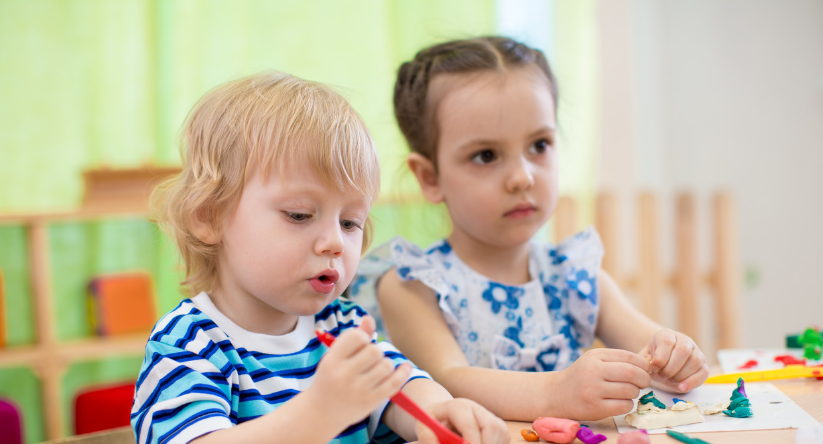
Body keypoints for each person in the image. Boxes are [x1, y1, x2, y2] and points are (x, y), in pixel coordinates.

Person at [131, 72, 509, 444]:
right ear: (208, 217)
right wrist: (320, 414)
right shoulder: (190, 343)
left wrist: (443, 413)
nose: (335, 243)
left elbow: (403, 390)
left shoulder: (342, 325)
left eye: (349, 222)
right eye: (299, 215)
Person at [349, 37, 709, 422]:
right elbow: (444, 381)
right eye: (486, 155)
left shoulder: (577, 276)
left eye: (539, 145)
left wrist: (675, 357)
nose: (522, 177)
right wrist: (556, 393)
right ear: (430, 176)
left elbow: (653, 355)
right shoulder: (414, 284)